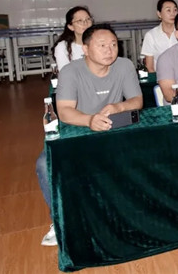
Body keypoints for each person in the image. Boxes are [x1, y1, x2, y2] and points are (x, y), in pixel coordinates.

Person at [36, 23, 143, 246]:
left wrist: (119, 107)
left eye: (113, 44)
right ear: (85, 49)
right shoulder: (71, 71)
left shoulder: (124, 65)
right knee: (45, 164)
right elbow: (64, 111)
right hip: (79, 128)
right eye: (102, 45)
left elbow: (137, 101)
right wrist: (89, 120)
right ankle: (59, 221)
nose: (109, 50)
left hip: (113, 128)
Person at [140, 0, 178, 72]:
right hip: (160, 77)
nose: (173, 14)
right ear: (159, 14)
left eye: (175, 10)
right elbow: (149, 67)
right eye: (168, 10)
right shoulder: (151, 35)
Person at [51, 6, 93, 70]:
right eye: (80, 20)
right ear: (71, 27)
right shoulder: (63, 47)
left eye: (88, 19)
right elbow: (65, 73)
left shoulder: (99, 44)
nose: (85, 23)